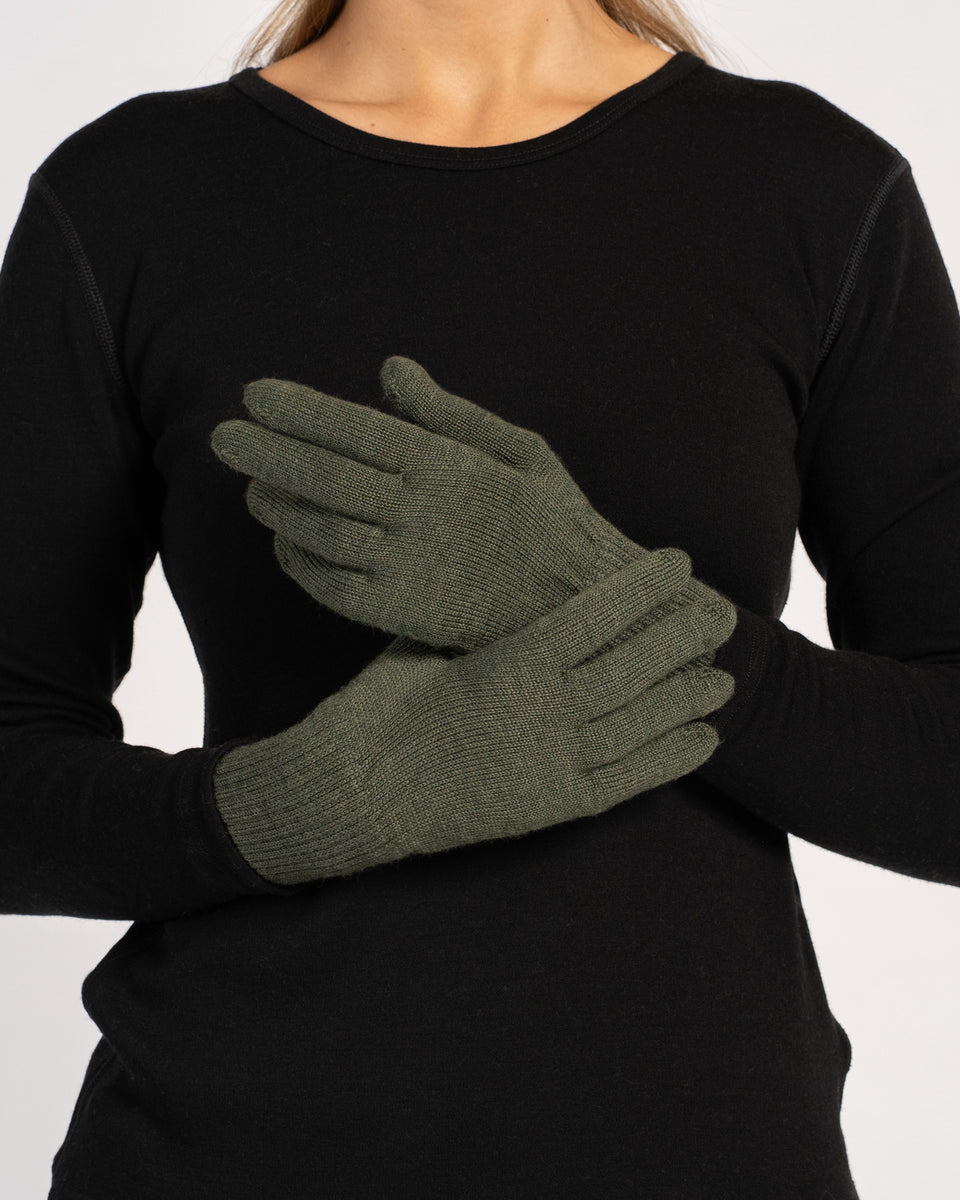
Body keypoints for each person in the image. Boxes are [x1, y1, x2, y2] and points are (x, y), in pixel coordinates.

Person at [1, 0, 958, 1195]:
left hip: (702, 1150)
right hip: (226, 1149)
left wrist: (580, 589)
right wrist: (305, 808)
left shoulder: (813, 187)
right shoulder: (132, 194)